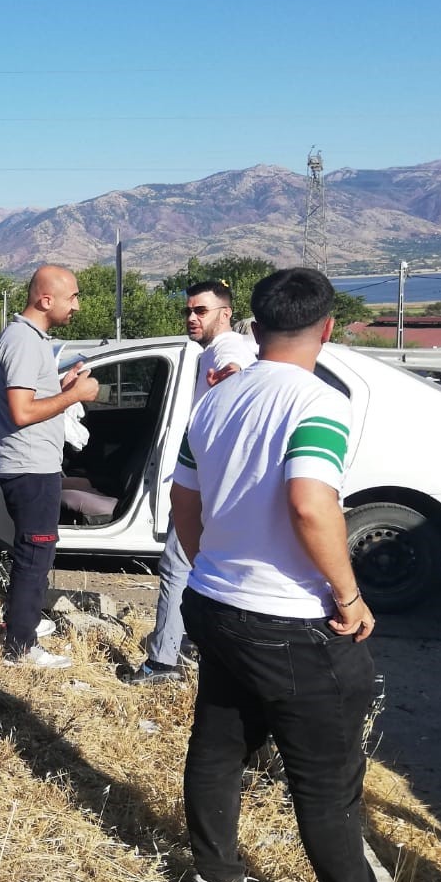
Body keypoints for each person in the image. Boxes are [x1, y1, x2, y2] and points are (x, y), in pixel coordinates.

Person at [170, 266, 441, 882]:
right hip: (287, 618)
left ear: (254, 326)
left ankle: (213, 880)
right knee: (327, 778)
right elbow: (309, 503)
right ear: (326, 329)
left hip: (213, 600)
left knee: (217, 743)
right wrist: (348, 595)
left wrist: (215, 563)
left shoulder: (213, 399)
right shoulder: (316, 403)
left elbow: (184, 502)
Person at [121, 279, 258, 685]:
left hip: (208, 488)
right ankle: (195, 642)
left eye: (201, 310)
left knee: (177, 567)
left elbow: (238, 371)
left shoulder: (227, 350)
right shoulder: (213, 352)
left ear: (225, 313)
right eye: (189, 310)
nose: (192, 317)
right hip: (218, 487)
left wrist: (232, 379)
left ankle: (163, 661)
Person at [0, 265, 100, 669]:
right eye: (73, 297)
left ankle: (22, 621)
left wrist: (62, 386)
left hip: (35, 462)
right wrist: (76, 396)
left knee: (34, 551)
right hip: (29, 465)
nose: (77, 306)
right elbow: (20, 411)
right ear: (45, 299)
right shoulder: (23, 341)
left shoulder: (31, 340)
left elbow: (31, 394)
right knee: (35, 553)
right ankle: (20, 647)